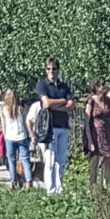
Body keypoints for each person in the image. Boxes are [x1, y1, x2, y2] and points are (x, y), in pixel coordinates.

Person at [35, 57, 75, 195]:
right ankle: (50, 190)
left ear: (58, 70)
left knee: (61, 159)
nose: (51, 71)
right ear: (45, 70)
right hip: (49, 128)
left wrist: (57, 105)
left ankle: (59, 187)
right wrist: (63, 101)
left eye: (54, 68)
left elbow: (71, 105)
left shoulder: (64, 86)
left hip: (63, 126)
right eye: (49, 69)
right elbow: (46, 104)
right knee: (50, 159)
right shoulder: (42, 85)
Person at [0, 89, 31, 187]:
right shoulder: (21, 109)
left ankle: (14, 181)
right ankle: (29, 181)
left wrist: (5, 136)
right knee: (25, 160)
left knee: (11, 160)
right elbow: (25, 123)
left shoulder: (4, 109)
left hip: (10, 137)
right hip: (22, 136)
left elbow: (3, 125)